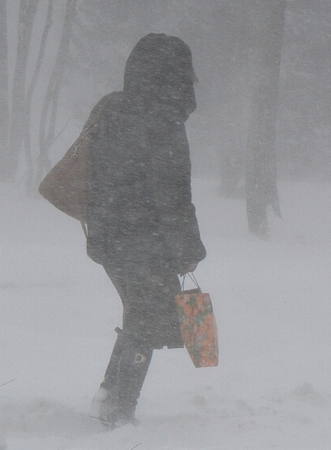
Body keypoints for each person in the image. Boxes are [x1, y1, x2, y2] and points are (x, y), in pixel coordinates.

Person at [85, 33, 206, 428]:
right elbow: (173, 195)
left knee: (140, 315)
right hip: (144, 241)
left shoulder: (115, 109)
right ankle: (119, 410)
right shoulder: (163, 121)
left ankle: (110, 398)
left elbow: (99, 175)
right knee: (148, 321)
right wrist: (188, 249)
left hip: (109, 235)